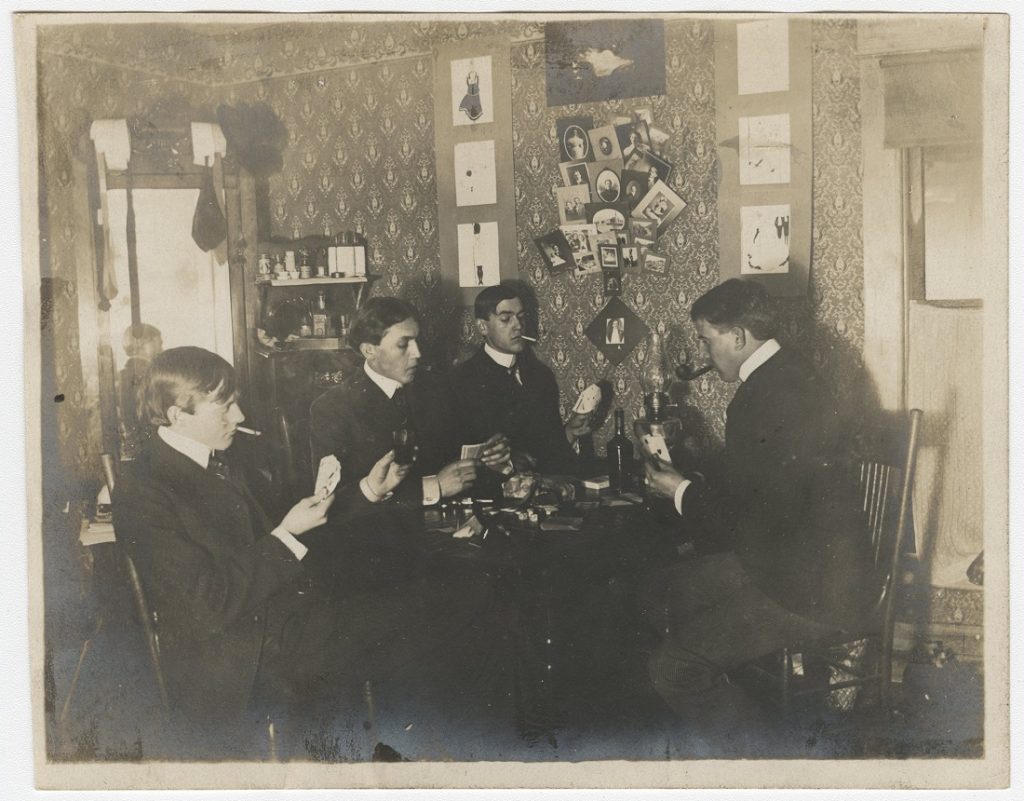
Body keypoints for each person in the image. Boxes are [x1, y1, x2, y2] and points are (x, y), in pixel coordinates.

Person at [111, 346, 460, 719]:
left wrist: (369, 491)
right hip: (244, 659)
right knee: (440, 609)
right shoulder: (143, 488)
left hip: (291, 624)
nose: (240, 415)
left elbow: (300, 522)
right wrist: (285, 537)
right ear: (178, 415)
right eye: (225, 406)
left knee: (439, 601)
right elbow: (206, 604)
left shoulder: (222, 457)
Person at [638, 279, 870, 745]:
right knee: (660, 591)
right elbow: (763, 490)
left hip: (804, 584)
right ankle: (727, 698)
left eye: (707, 339)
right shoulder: (791, 373)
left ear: (738, 337)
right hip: (807, 560)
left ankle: (763, 762)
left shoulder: (760, 397)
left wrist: (679, 489)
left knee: (674, 668)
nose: (705, 355)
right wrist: (693, 480)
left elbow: (749, 522)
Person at [310, 296, 509, 507]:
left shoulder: (438, 388)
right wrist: (433, 487)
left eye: (417, 341)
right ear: (369, 350)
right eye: (404, 344)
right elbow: (333, 502)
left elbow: (466, 451)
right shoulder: (332, 408)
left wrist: (493, 455)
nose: (417, 353)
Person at [449, 284, 591, 477]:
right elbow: (457, 457)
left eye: (521, 317)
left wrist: (570, 432)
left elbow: (549, 450)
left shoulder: (540, 375)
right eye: (506, 319)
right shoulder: (462, 381)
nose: (518, 325)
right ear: (483, 326)